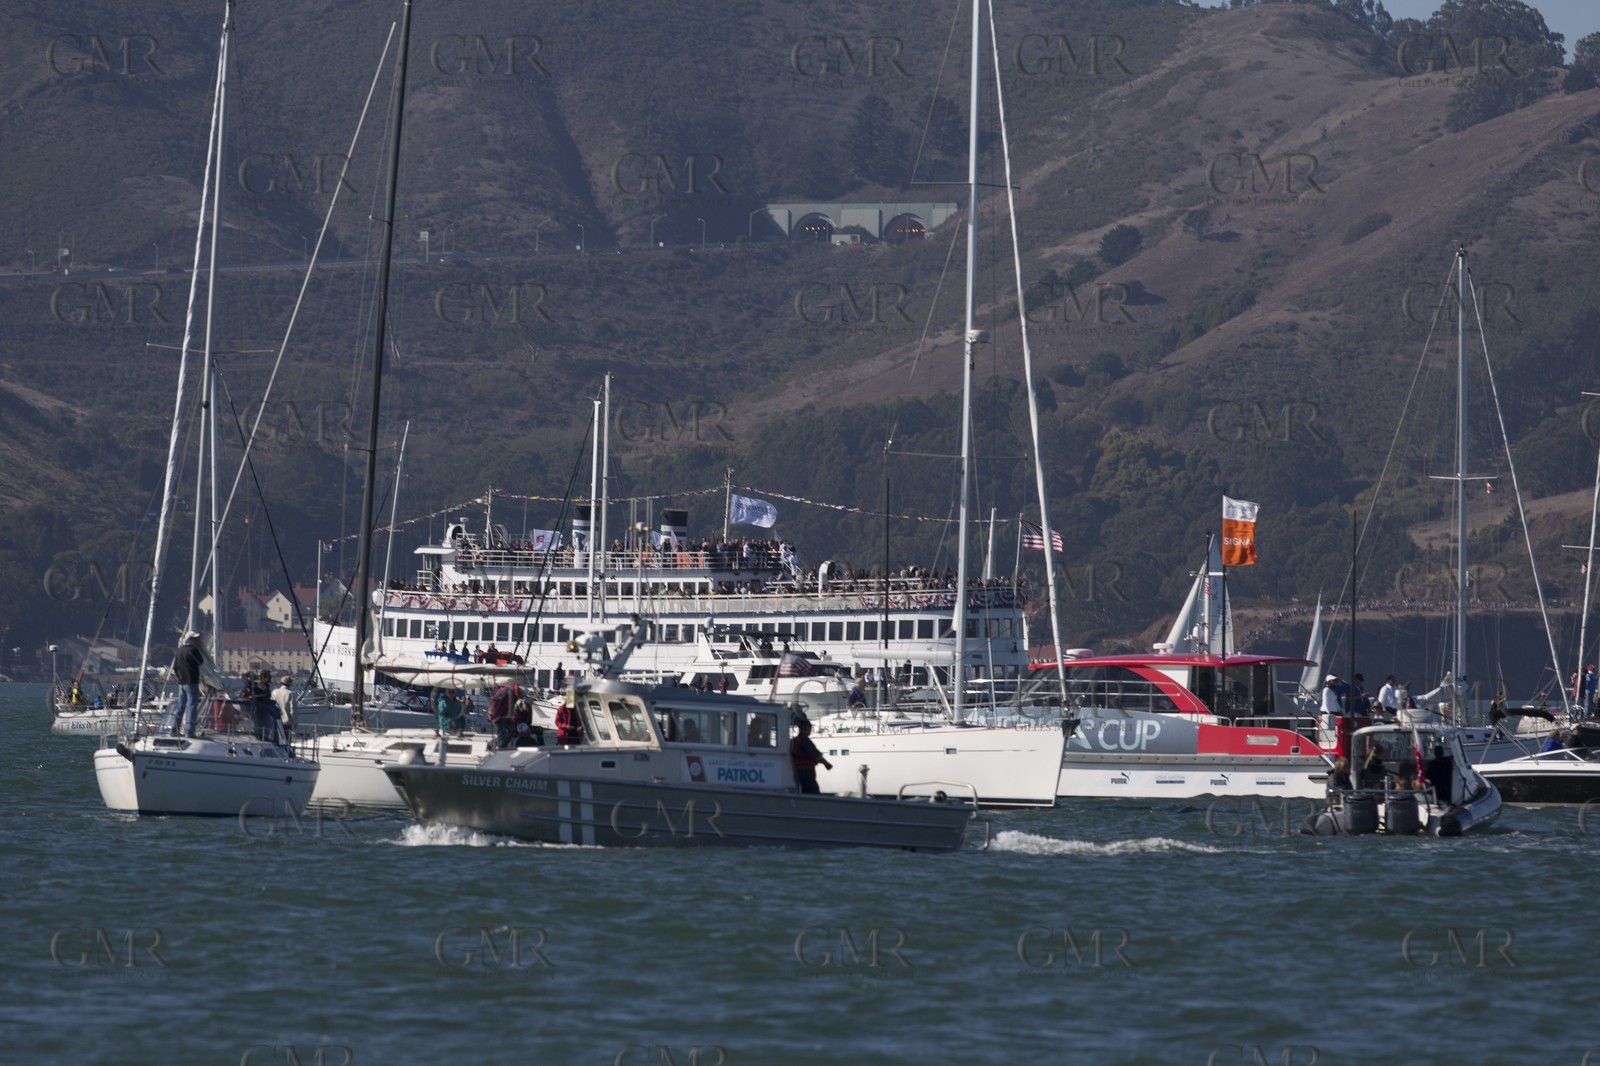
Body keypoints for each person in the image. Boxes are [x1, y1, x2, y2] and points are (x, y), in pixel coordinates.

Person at [169, 631, 205, 737]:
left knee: (181, 706)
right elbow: (200, 661)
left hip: (181, 683)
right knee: (192, 706)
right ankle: (190, 732)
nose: (196, 641)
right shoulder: (192, 650)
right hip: (191, 682)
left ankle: (174, 729)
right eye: (194, 639)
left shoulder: (179, 651)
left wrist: (179, 677)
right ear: (191, 640)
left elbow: (175, 667)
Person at [790, 717, 833, 794]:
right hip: (806, 772)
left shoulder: (794, 741)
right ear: (804, 728)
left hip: (797, 771)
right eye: (809, 728)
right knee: (813, 790)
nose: (810, 730)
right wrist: (826, 764)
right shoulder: (805, 741)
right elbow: (816, 755)